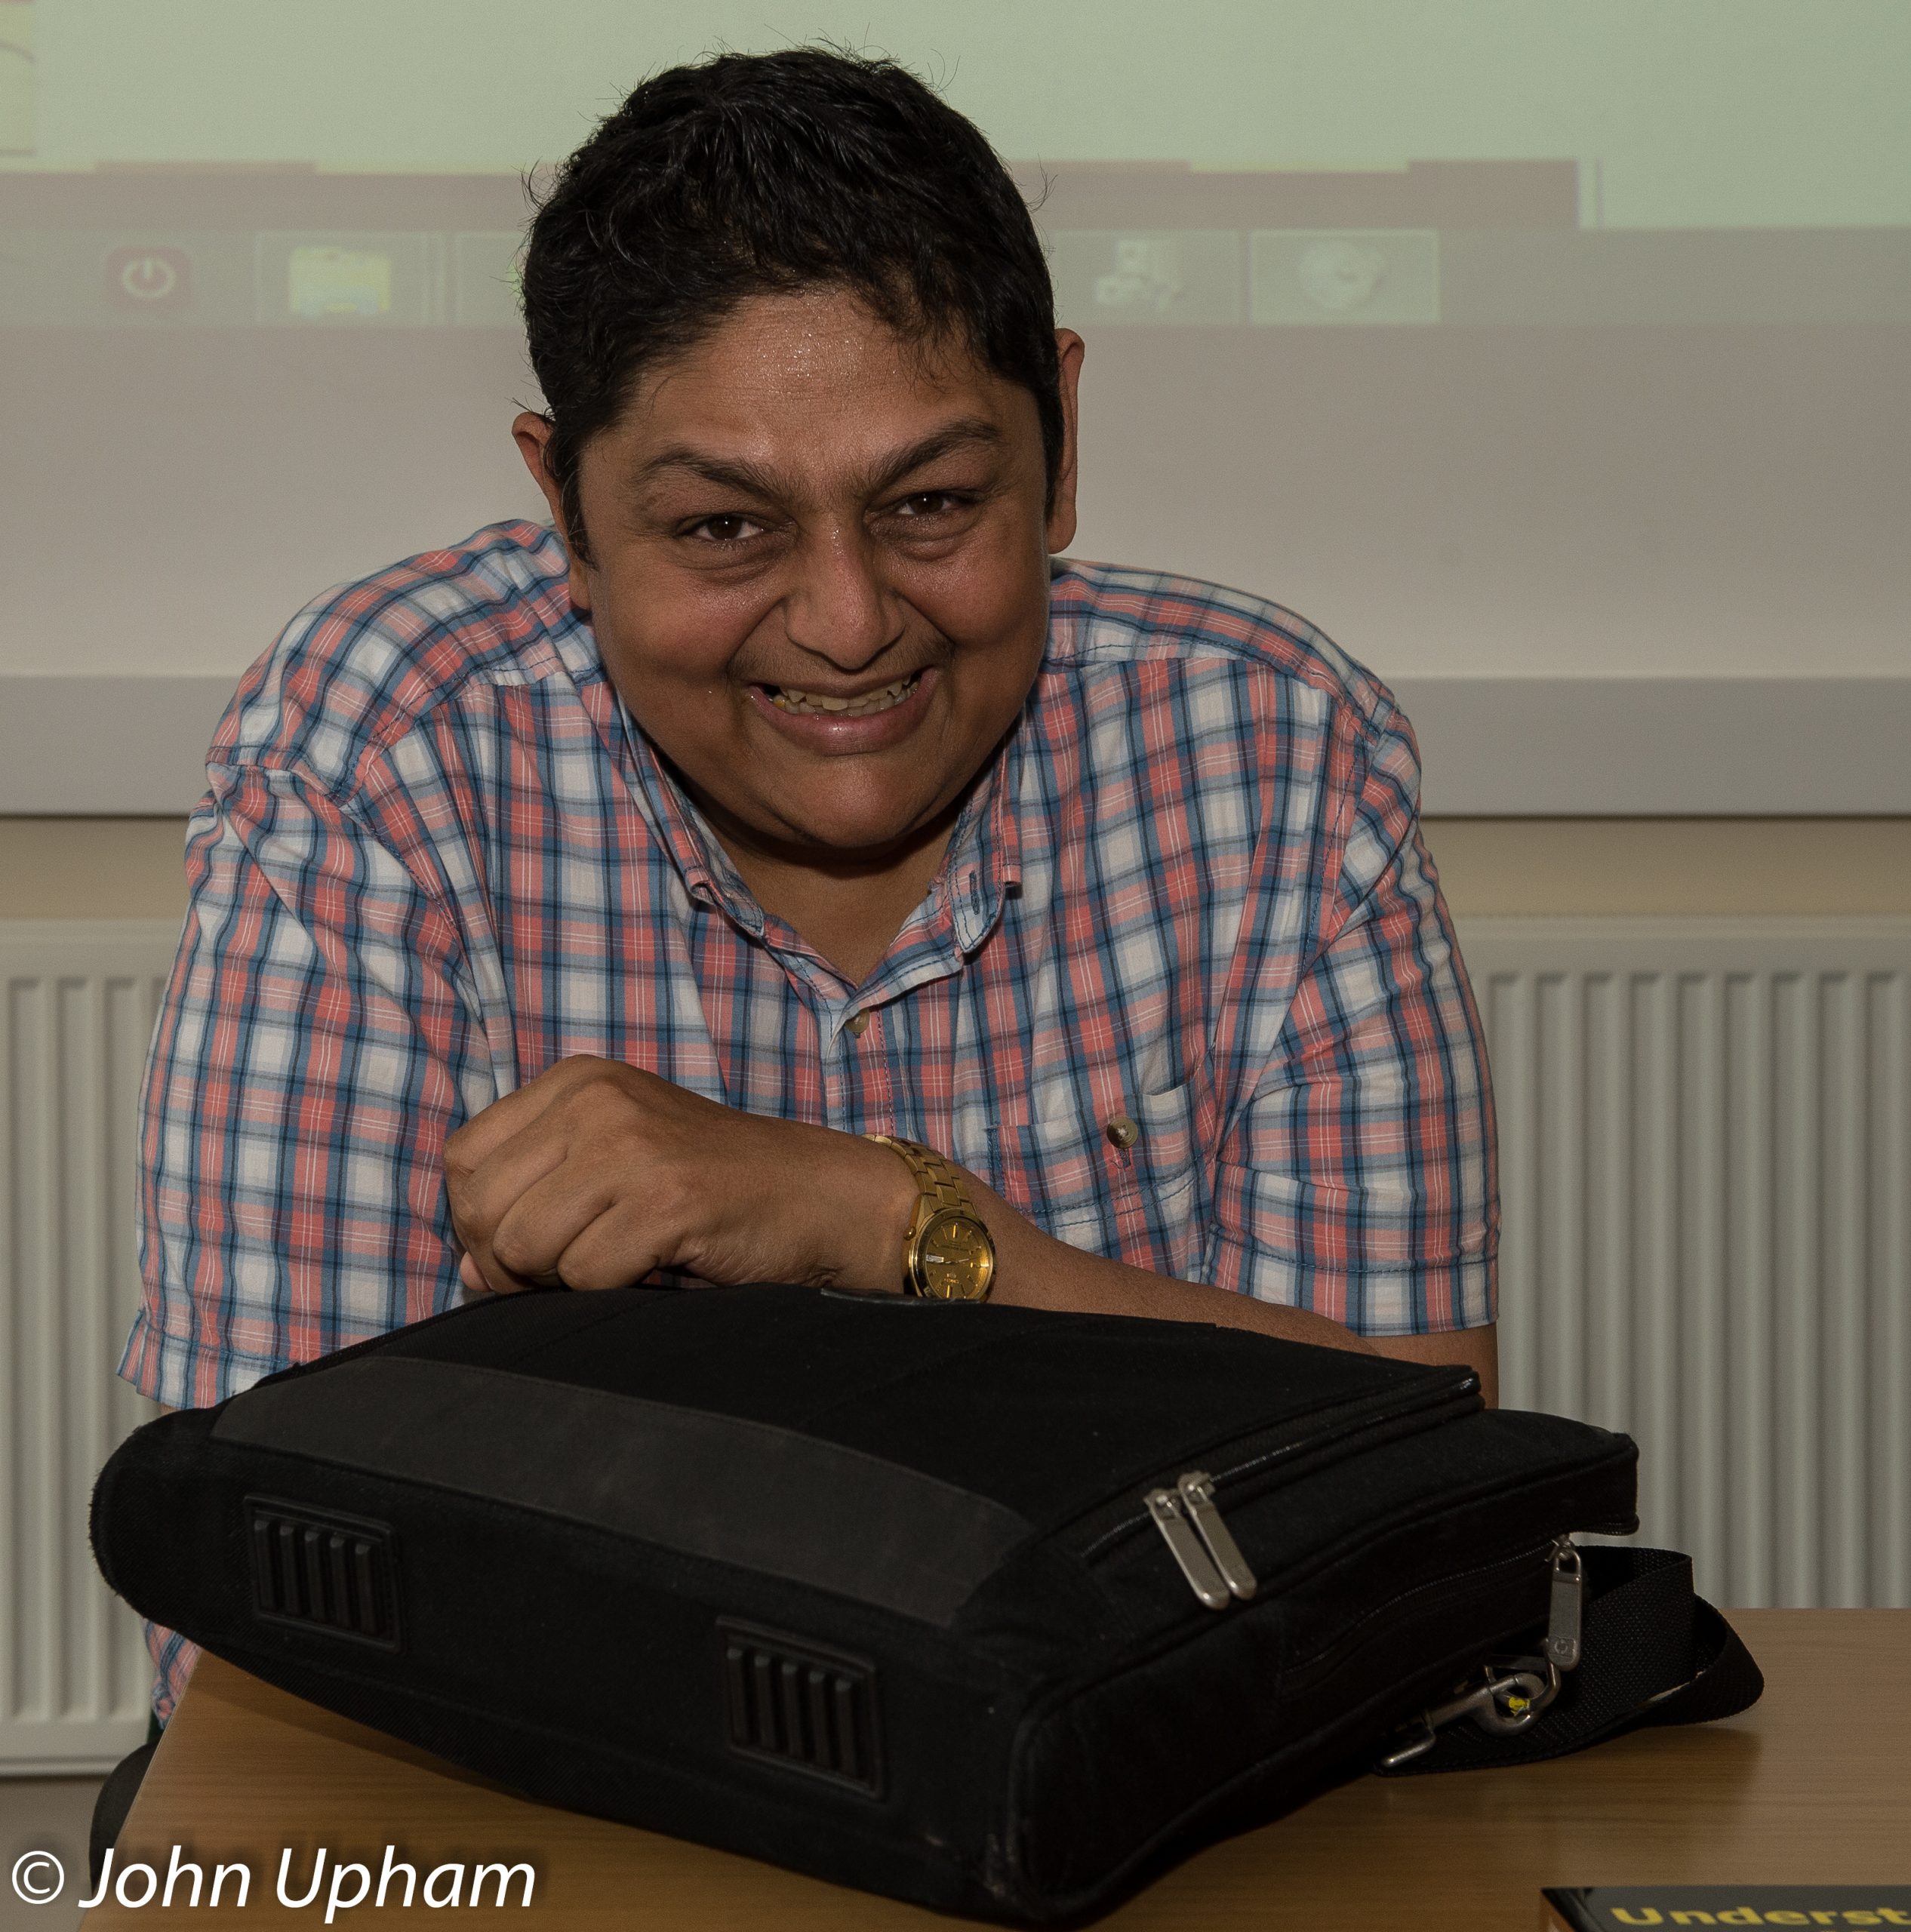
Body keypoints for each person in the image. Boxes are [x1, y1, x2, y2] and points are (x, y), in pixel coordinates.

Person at [119, 47, 1497, 1729]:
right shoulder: (384, 753)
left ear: (1059, 447)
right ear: (563, 501)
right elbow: (262, 1595)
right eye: (723, 530)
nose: (848, 621)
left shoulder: (1276, 755)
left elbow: (1427, 1494)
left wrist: (890, 1221)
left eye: (929, 503)